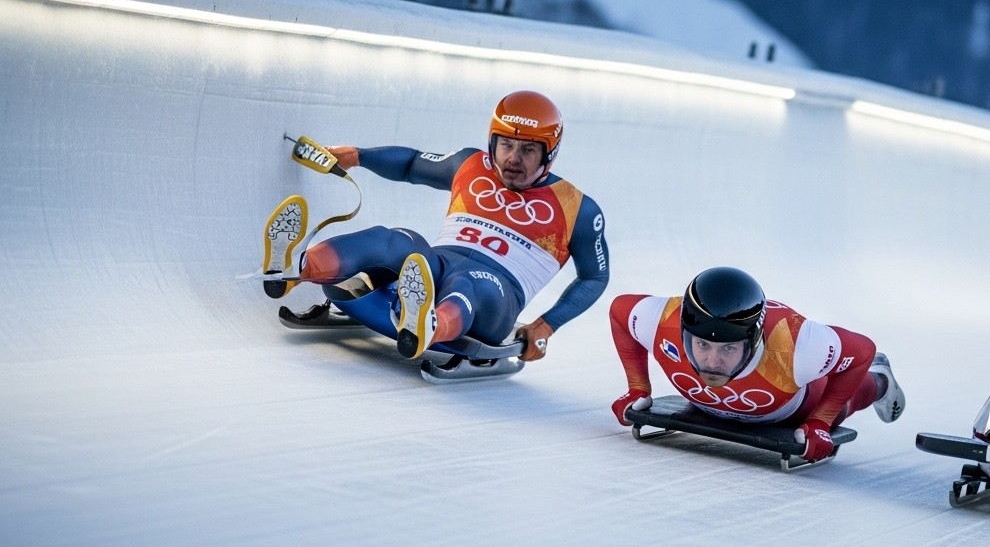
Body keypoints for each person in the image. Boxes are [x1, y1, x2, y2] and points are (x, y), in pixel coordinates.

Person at [259, 91, 609, 363]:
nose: (513, 158)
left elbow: (595, 276)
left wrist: (547, 324)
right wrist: (357, 156)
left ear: (549, 154)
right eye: (506, 144)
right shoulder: (471, 164)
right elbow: (412, 163)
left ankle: (429, 326)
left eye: (528, 150)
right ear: (492, 142)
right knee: (398, 241)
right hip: (435, 267)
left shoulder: (577, 208)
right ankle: (297, 268)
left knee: (467, 282)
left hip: (498, 291)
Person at [608, 267, 905, 463]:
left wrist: (821, 421)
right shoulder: (659, 319)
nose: (712, 362)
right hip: (716, 404)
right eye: (702, 345)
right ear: (684, 331)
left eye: (728, 348)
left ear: (752, 342)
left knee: (843, 403)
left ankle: (879, 381)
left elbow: (862, 351)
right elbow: (618, 311)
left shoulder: (798, 345)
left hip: (790, 408)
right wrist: (637, 388)